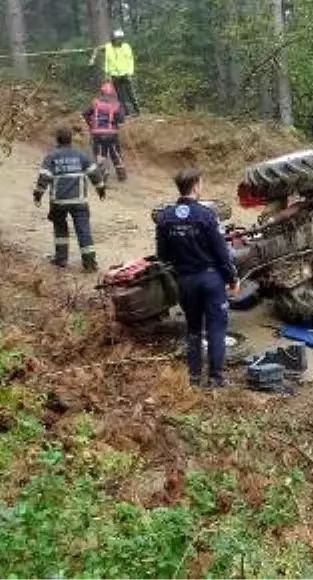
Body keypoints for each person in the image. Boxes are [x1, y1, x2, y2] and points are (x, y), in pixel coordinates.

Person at [155, 168, 239, 388]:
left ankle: (193, 378)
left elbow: (162, 255)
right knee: (216, 329)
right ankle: (215, 379)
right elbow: (222, 252)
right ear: (195, 186)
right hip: (211, 280)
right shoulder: (207, 215)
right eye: (200, 183)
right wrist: (232, 278)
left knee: (193, 329)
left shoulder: (165, 217)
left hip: (185, 281)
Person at [33, 126, 105, 272]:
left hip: (58, 202)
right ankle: (90, 263)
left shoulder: (52, 156)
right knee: (83, 230)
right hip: (79, 202)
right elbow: (94, 174)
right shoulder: (81, 155)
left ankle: (61, 259)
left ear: (57, 140)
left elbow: (44, 177)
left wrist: (38, 194)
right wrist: (100, 189)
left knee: (60, 228)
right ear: (71, 139)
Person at [82, 81, 128, 181]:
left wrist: (91, 125)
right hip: (112, 133)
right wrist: (116, 123)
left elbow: (85, 114)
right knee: (115, 152)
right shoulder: (117, 104)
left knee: (100, 153)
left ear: (101, 92)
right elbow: (121, 120)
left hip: (97, 133)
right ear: (113, 92)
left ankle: (103, 172)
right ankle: (121, 174)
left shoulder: (95, 102)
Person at [89, 28, 139, 116]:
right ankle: (126, 112)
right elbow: (98, 49)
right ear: (113, 39)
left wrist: (130, 72)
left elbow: (130, 60)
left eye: (120, 38)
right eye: (117, 38)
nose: (119, 40)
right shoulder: (108, 47)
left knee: (130, 93)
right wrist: (92, 58)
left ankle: (137, 110)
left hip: (125, 73)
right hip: (114, 75)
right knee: (120, 95)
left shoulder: (126, 47)